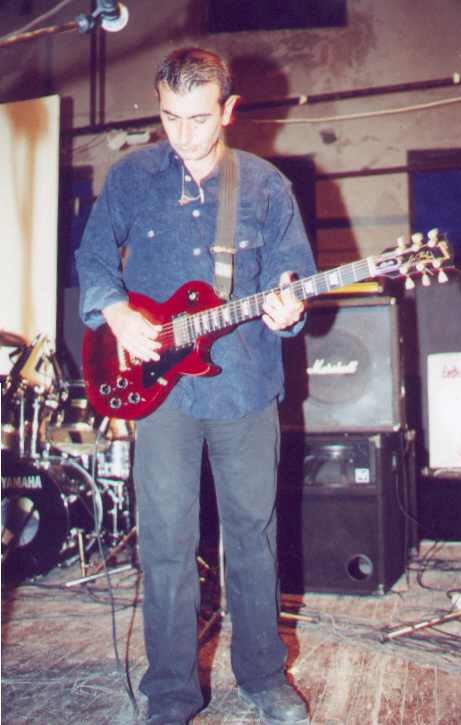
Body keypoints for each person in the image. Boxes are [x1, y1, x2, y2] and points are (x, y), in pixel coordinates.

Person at [76, 47, 316, 725]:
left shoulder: (265, 186)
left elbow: (293, 279)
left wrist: (289, 309)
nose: (183, 134)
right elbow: (94, 256)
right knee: (165, 542)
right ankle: (171, 692)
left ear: (229, 109)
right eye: (170, 117)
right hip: (161, 392)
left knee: (252, 533)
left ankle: (263, 676)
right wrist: (115, 310)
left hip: (244, 383)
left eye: (199, 118)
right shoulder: (131, 176)